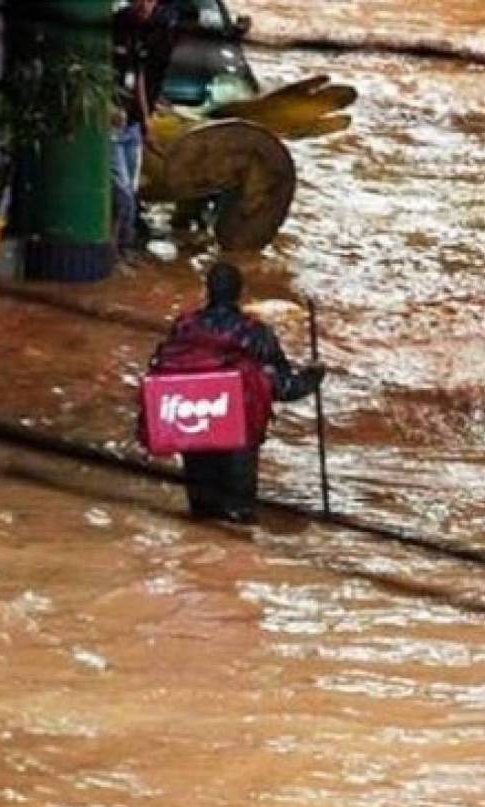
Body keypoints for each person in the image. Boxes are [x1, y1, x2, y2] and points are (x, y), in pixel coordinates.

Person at [146, 262, 326, 523]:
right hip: (238, 431)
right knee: (239, 517)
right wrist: (313, 377)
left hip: (194, 426)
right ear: (239, 292)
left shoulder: (185, 327)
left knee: (201, 517)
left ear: (207, 290)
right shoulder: (254, 333)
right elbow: (282, 386)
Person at [111, 0, 182, 256]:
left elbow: (141, 78)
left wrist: (145, 119)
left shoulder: (157, 30)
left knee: (129, 189)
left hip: (130, 124)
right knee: (123, 192)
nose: (144, 4)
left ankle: (123, 244)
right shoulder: (116, 27)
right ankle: (124, 247)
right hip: (110, 127)